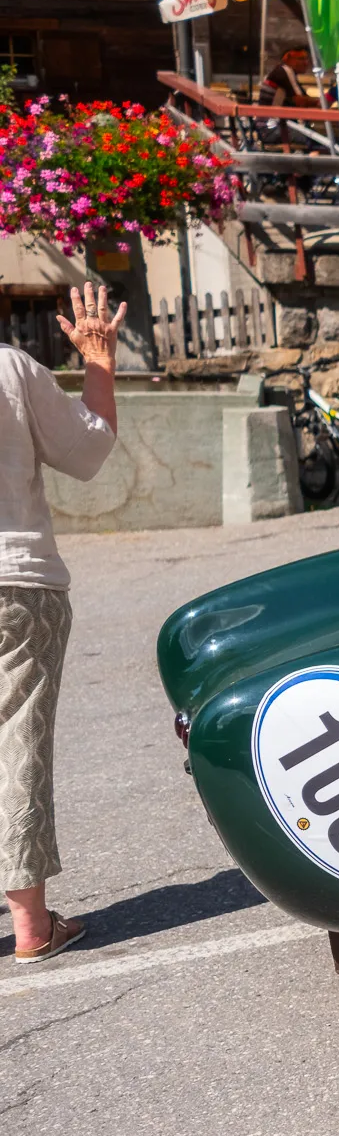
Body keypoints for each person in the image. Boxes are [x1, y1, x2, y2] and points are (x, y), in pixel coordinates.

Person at [2, 285, 122, 964]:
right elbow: (88, 450)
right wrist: (98, 361)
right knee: (16, 740)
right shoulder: (10, 368)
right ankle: (30, 924)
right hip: (17, 581)